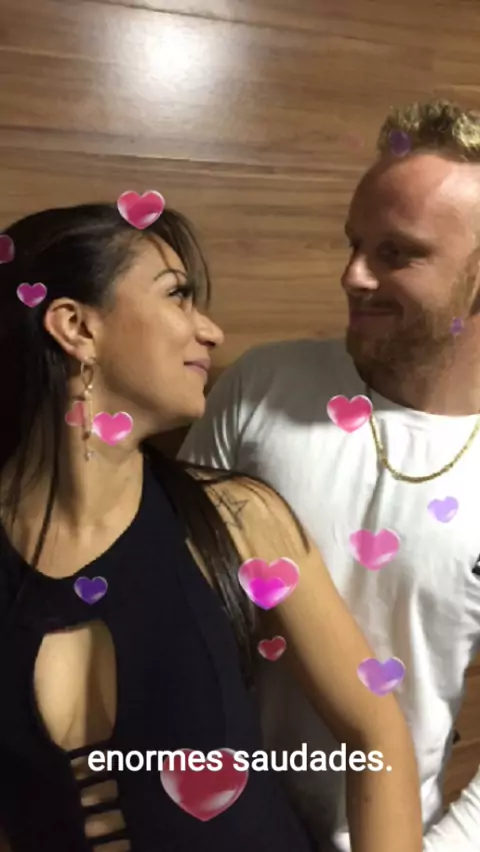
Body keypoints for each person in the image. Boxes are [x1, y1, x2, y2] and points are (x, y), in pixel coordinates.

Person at [0, 201, 421, 852]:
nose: (211, 332)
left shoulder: (237, 519)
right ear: (76, 327)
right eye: (178, 296)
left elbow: (376, 733)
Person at [179, 99, 480, 852]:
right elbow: (172, 603)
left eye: (397, 253)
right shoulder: (263, 385)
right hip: (211, 821)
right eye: (354, 243)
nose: (352, 275)